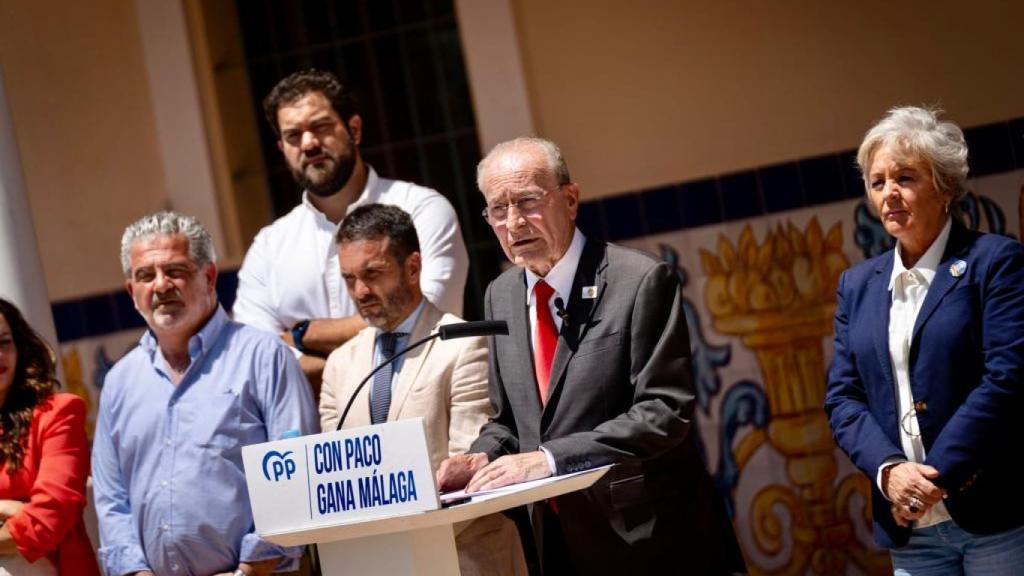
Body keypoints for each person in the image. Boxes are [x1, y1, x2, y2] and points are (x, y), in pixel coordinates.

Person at [436, 137, 744, 575]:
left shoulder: (638, 280)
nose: (513, 222)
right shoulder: (501, 295)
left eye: (527, 201)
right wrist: (480, 457)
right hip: (557, 542)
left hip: (648, 539)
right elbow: (509, 420)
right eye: (497, 209)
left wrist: (548, 459)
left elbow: (664, 412)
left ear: (571, 199)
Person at [825, 106, 1024, 573]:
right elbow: (843, 398)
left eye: (906, 178)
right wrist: (890, 472)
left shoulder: (994, 262)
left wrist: (933, 477)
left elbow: (1006, 379)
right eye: (878, 182)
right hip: (910, 528)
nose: (890, 194)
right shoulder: (857, 286)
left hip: (994, 517)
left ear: (946, 187)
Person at [92, 211, 319, 576]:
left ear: (209, 276)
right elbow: (111, 499)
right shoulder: (119, 381)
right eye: (145, 276)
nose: (161, 286)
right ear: (131, 291)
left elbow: (294, 476)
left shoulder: (263, 357)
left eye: (175, 271)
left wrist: (249, 568)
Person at [319, 204, 526, 575]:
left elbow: (469, 475)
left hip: (462, 559)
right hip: (373, 564)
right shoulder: (338, 364)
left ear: (413, 267)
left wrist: (399, 540)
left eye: (372, 274)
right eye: (349, 279)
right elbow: (335, 476)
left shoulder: (464, 344)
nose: (360, 291)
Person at [233, 69, 469, 389]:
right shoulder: (268, 247)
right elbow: (256, 355)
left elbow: (423, 319)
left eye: (321, 127)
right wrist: (351, 364)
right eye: (293, 135)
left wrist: (304, 335)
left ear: (354, 129)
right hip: (314, 434)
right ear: (282, 148)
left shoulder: (421, 209)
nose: (309, 143)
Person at [0, 299, 99, 576]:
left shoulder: (58, 413)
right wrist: (11, 508)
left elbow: (49, 520)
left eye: (4, 342)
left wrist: (23, 515)